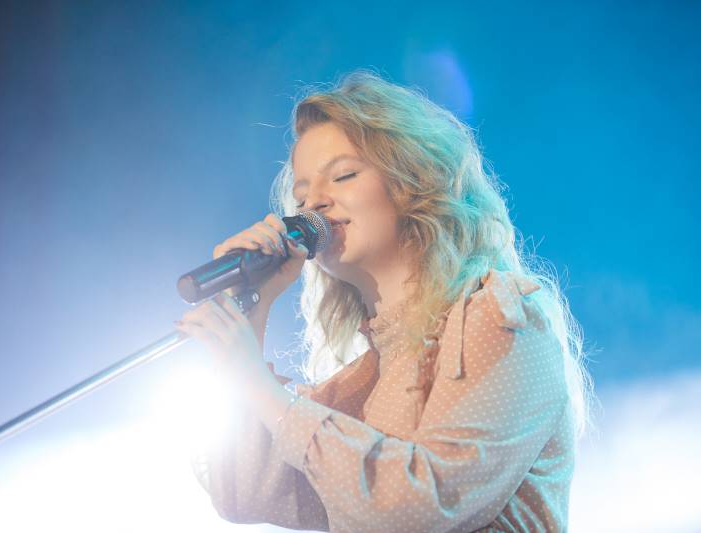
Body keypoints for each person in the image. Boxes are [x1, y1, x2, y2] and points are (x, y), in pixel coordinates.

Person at [174, 70, 590, 532]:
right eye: (302, 195)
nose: (314, 206)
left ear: (413, 181)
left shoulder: (501, 316)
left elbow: (421, 506)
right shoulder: (364, 381)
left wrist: (257, 383)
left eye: (343, 175)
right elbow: (244, 493)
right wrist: (250, 311)